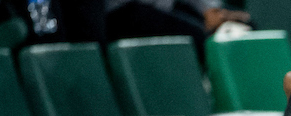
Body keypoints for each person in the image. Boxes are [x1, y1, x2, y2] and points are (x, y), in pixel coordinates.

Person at [105, 0, 250, 55]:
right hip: (121, 13)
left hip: (159, 9)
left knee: (247, 26)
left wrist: (209, 10)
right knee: (196, 37)